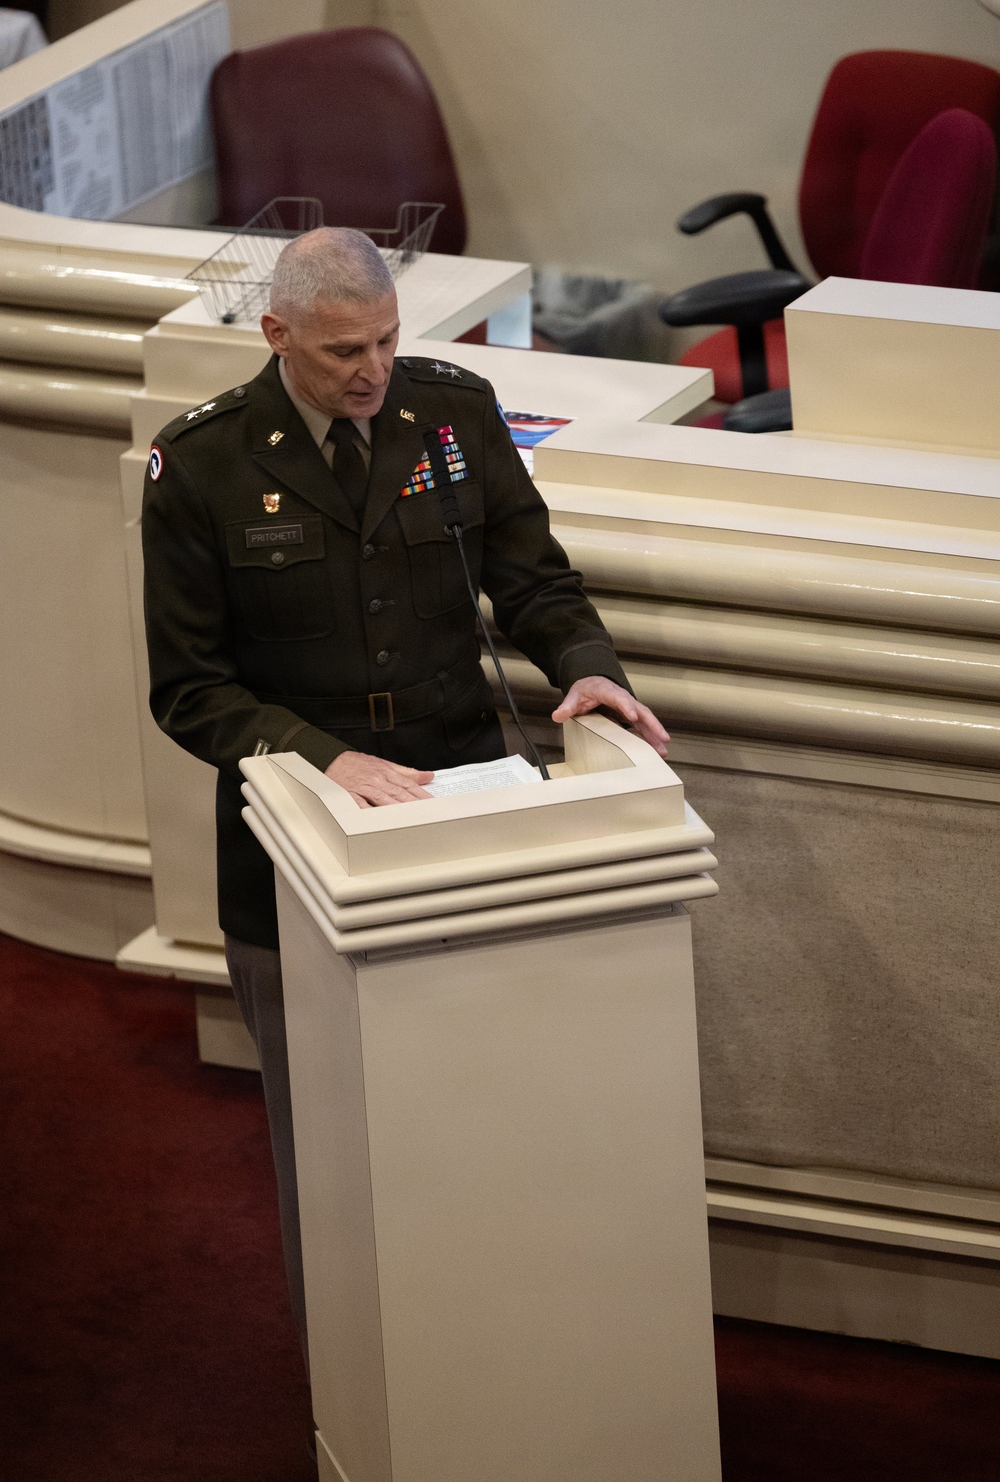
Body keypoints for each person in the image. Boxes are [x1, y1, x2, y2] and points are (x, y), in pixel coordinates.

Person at [141, 227, 668, 1362]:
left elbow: (534, 579)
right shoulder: (204, 465)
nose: (372, 370)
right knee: (328, 1144)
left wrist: (589, 668)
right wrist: (322, 759)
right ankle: (350, 1374)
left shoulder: (452, 414)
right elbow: (188, 691)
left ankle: (507, 1345)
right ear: (276, 335)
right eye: (343, 351)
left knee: (486, 1109)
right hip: (295, 850)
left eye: (385, 341)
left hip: (465, 806)